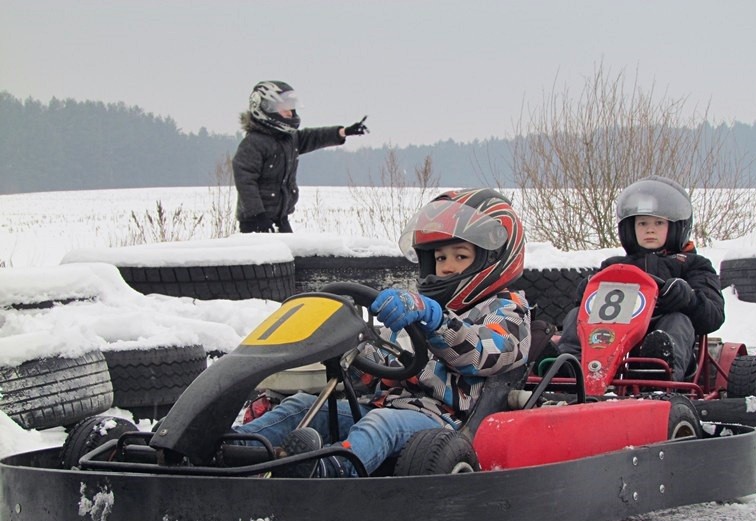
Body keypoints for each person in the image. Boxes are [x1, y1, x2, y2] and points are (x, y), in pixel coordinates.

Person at [236, 188, 532, 477]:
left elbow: (480, 354)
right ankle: (235, 447)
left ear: (492, 260)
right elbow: (383, 365)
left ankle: (331, 471)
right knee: (298, 406)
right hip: (384, 406)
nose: (448, 267)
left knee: (380, 424)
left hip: (440, 422)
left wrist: (435, 318)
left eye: (460, 256)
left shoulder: (507, 311)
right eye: (441, 259)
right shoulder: (420, 310)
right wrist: (349, 344)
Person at [557, 175, 725, 381]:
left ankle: (659, 370)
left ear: (676, 227)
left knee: (677, 320)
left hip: (665, 333)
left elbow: (713, 316)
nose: (650, 229)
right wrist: (587, 291)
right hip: (614, 336)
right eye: (642, 223)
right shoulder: (614, 266)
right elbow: (590, 308)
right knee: (576, 315)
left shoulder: (694, 265)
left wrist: (688, 298)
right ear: (629, 228)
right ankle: (570, 366)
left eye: (659, 223)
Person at [232, 80, 369, 234]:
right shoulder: (254, 143)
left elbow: (314, 137)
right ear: (266, 109)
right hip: (255, 221)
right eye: (285, 110)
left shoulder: (289, 139)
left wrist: (343, 132)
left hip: (281, 219)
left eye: (291, 109)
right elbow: (245, 181)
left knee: (291, 256)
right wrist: (258, 215)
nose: (290, 113)